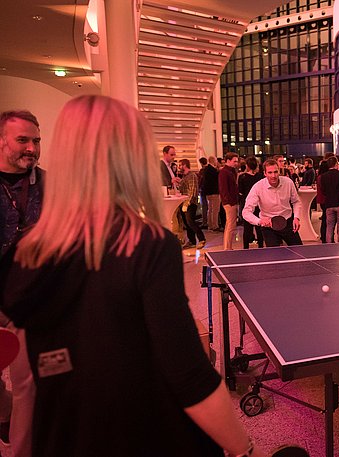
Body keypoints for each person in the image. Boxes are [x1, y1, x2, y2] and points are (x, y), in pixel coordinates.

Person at [0, 95, 265, 457]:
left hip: (65, 435)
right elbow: (188, 375)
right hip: (141, 432)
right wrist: (244, 448)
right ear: (129, 159)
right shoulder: (145, 244)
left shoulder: (30, 250)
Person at [0, 109, 43, 457]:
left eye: (36, 141)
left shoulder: (49, 184)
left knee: (27, 387)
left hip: (29, 306)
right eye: (22, 140)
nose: (31, 148)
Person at [242, 159, 303, 247]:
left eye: (275, 172)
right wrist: (260, 221)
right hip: (268, 227)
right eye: (270, 172)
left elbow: (296, 202)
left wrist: (296, 217)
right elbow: (246, 212)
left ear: (279, 171)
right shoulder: (257, 187)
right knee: (274, 254)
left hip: (287, 223)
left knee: (299, 251)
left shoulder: (288, 182)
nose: (273, 175)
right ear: (265, 173)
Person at [177, 159, 206, 249]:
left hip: (190, 203)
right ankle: (192, 241)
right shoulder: (185, 177)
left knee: (190, 221)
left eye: (180, 165)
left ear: (185, 165)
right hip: (184, 202)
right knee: (187, 223)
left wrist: (188, 203)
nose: (179, 167)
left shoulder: (192, 176)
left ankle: (202, 239)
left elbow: (193, 190)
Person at [237, 157, 264, 249]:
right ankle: (260, 246)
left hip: (247, 204)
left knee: (247, 228)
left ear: (247, 166)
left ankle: (246, 248)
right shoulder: (261, 177)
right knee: (259, 226)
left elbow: (240, 192)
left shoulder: (242, 177)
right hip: (259, 204)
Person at [320, 156, 339, 243]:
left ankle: (329, 246)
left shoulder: (323, 176)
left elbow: (323, 191)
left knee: (329, 226)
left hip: (329, 204)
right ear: (336, 164)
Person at [219, 153, 239, 250]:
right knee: (231, 226)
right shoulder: (224, 172)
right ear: (228, 160)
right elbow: (223, 189)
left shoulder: (230, 171)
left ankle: (228, 247)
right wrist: (229, 202)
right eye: (234, 161)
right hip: (229, 203)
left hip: (231, 201)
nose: (236, 163)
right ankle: (227, 248)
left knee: (230, 225)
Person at [203, 156, 221, 232]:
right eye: (216, 160)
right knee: (215, 210)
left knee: (210, 209)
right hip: (214, 192)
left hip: (208, 192)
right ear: (213, 161)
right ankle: (215, 226)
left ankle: (210, 225)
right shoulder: (213, 170)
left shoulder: (206, 169)